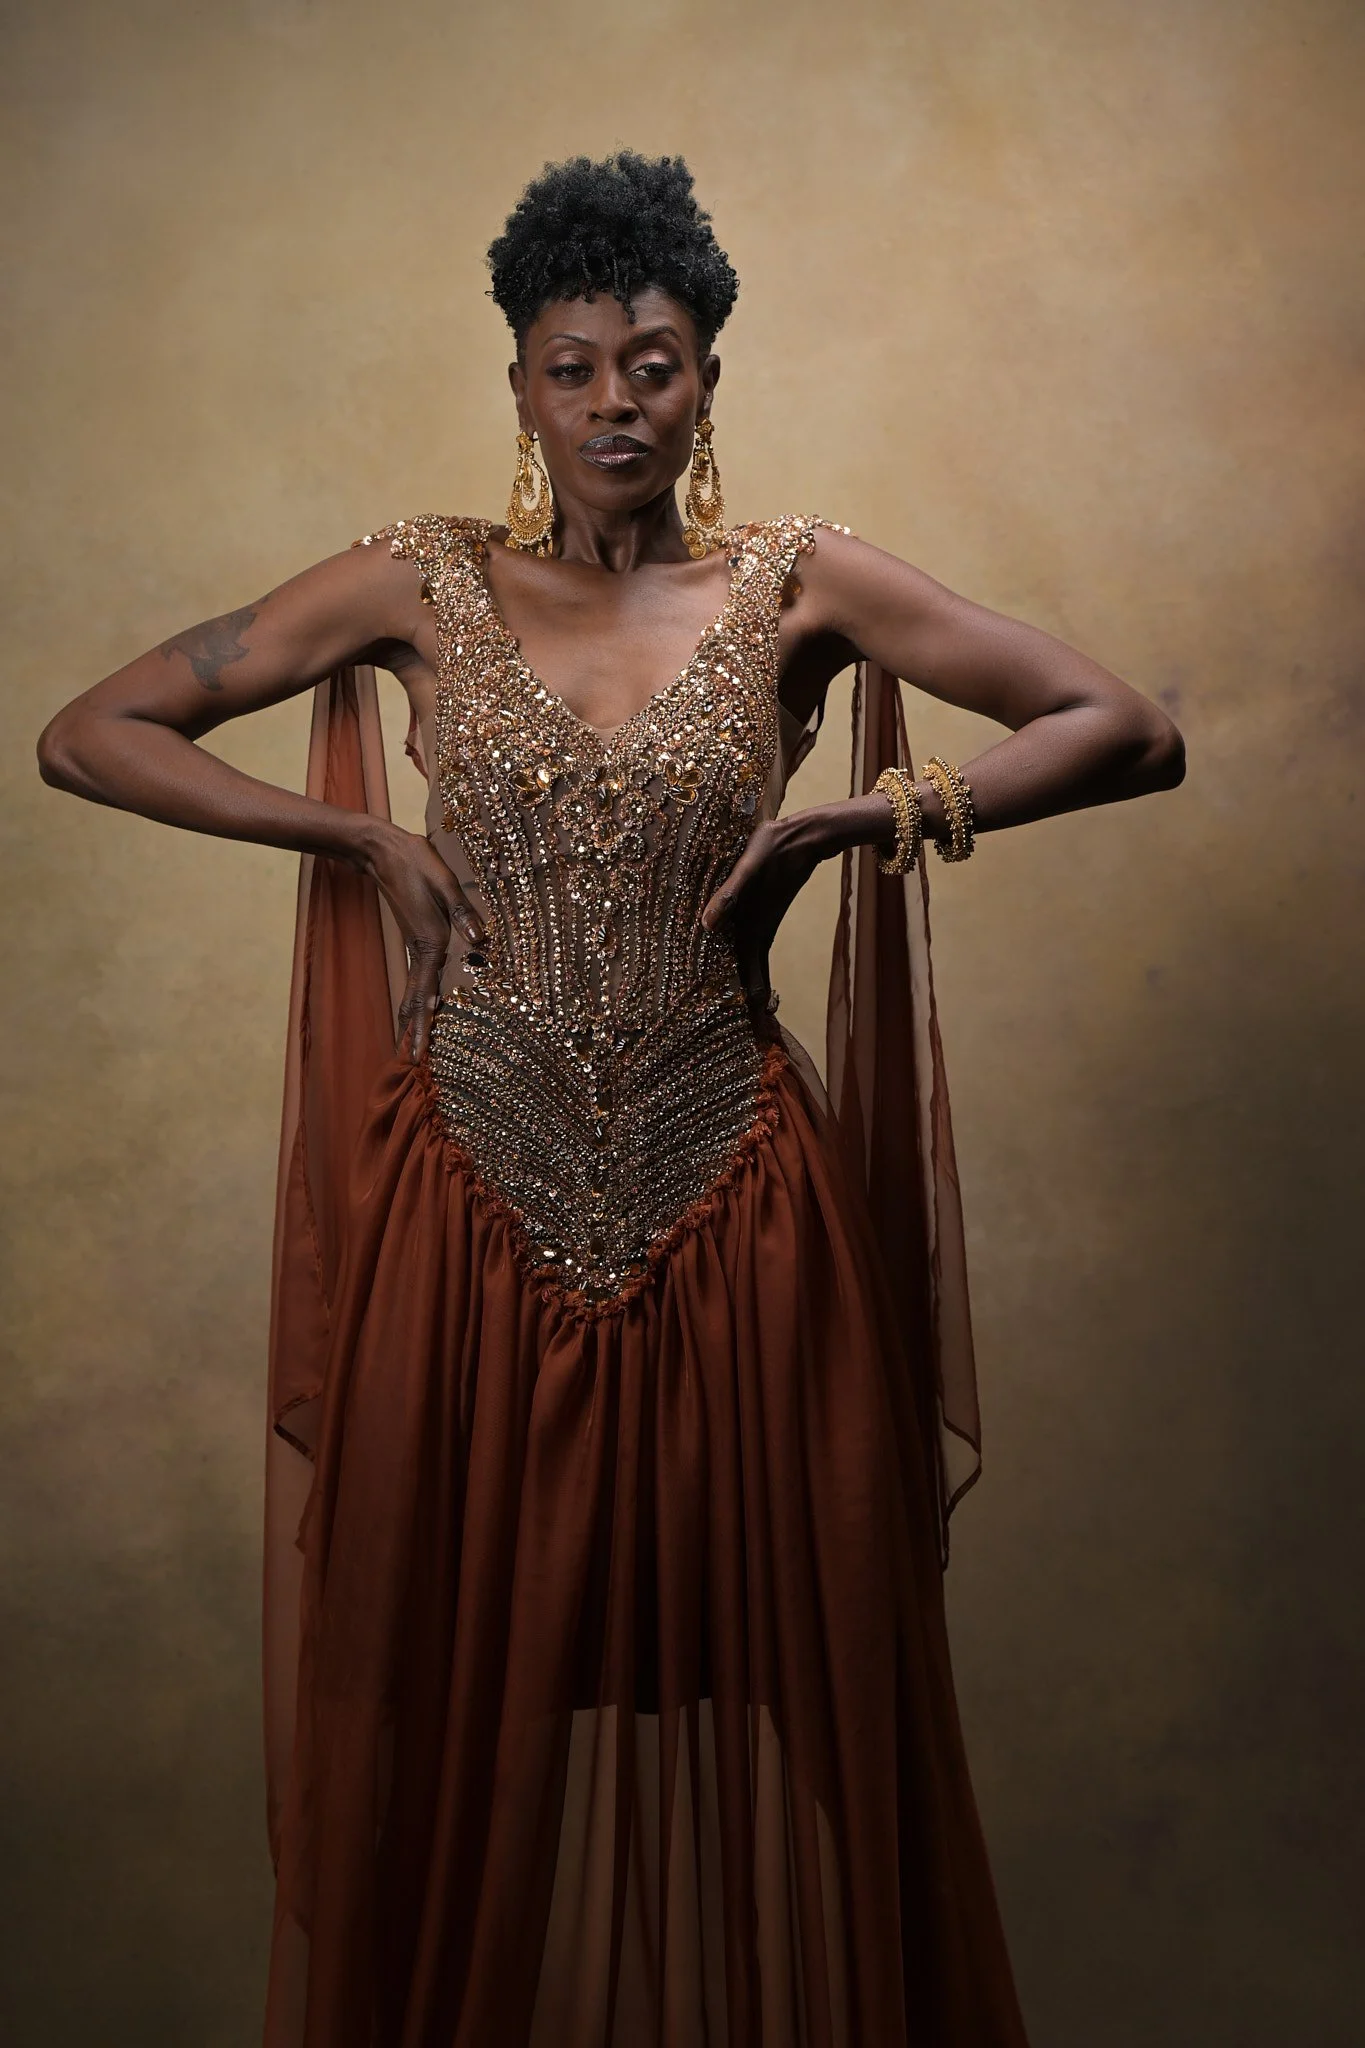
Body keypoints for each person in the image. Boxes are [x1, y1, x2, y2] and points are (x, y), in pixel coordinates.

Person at [37, 150, 1184, 2048]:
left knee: (833, 1686)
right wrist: (351, 835)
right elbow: (92, 734)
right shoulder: (422, 581)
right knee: (436, 1714)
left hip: (741, 1214)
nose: (615, 405)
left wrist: (863, 810)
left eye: (654, 364)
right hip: (461, 1223)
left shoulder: (800, 583)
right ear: (518, 387)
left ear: (710, 378)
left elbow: (1124, 727)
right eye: (573, 369)